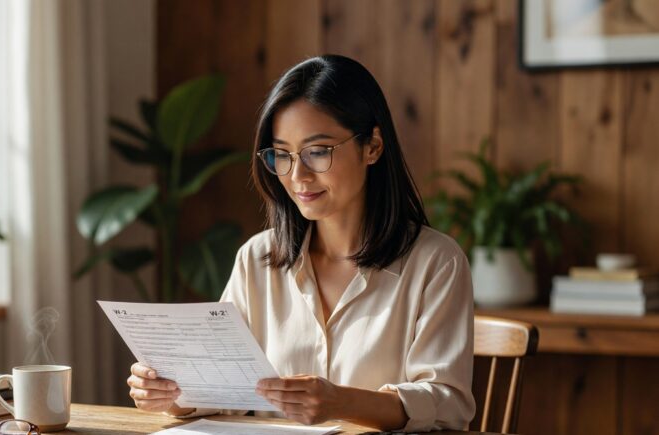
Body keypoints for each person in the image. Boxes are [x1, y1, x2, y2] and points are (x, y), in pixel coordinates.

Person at [127, 54, 475, 432]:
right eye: (282, 155)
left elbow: (448, 405)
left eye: (317, 151)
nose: (297, 176)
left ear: (372, 146)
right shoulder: (257, 258)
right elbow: (222, 387)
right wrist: (173, 395)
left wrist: (341, 402)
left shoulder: (436, 262)